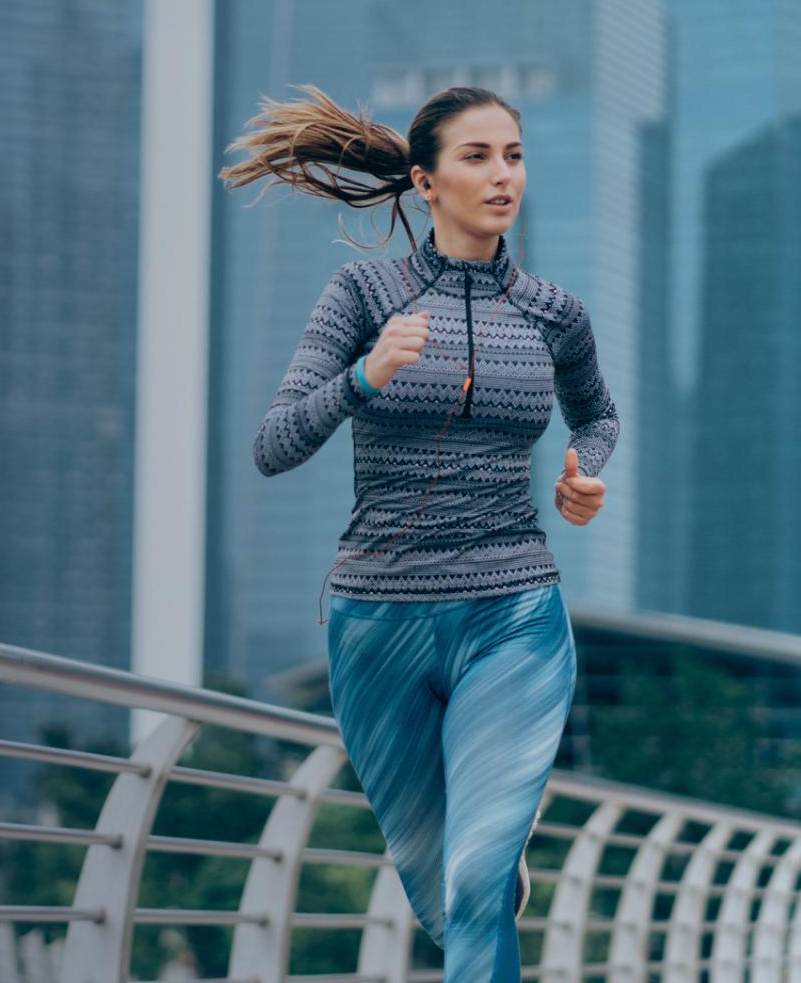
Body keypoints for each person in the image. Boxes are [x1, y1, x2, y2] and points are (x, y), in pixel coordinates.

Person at [221, 84, 618, 982]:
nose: (501, 173)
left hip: (513, 614)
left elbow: (596, 415)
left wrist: (582, 473)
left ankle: (491, 851)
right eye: (476, 155)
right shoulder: (362, 293)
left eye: (512, 154)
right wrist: (365, 374)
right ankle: (492, 853)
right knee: (448, 899)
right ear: (425, 181)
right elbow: (272, 446)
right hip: (377, 624)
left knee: (473, 882)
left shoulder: (554, 312)